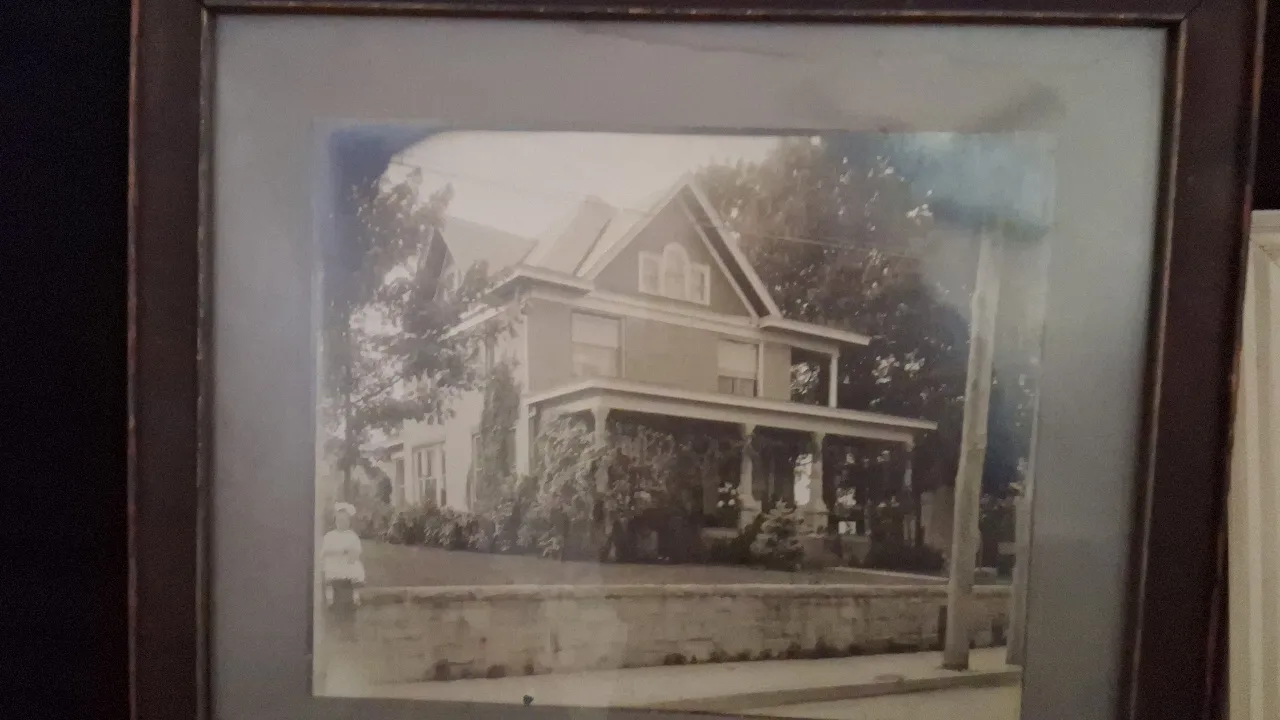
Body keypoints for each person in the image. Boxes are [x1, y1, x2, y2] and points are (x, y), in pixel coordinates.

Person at [320, 502, 365, 640]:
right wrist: (340, 551)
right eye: (339, 520)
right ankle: (331, 601)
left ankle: (355, 599)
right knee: (337, 600)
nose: (342, 523)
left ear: (349, 521)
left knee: (349, 600)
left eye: (345, 520)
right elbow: (324, 552)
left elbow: (355, 552)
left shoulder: (352, 536)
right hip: (334, 569)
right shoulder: (330, 536)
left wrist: (349, 554)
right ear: (335, 521)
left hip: (348, 569)